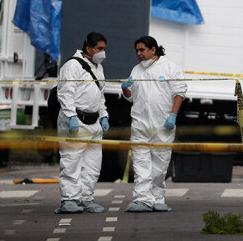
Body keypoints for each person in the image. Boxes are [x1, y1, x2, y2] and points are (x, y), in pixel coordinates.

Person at [121, 36, 187, 212]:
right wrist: (125, 88)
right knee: (141, 162)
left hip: (162, 123)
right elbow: (131, 97)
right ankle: (142, 199)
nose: (139, 54)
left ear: (153, 50)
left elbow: (179, 93)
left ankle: (157, 198)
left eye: (142, 50)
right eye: (137, 50)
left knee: (160, 162)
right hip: (140, 123)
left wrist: (172, 115)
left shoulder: (169, 68)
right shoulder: (136, 70)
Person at [55, 32, 110, 214]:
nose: (103, 52)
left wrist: (104, 116)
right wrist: (71, 116)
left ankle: (86, 198)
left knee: (93, 165)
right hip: (76, 120)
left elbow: (99, 95)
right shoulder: (72, 66)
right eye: (100, 48)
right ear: (89, 48)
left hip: (94, 122)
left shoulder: (98, 68)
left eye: (104, 49)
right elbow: (65, 93)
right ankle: (70, 199)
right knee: (71, 162)